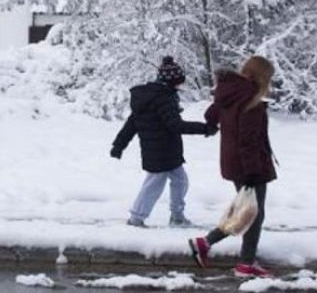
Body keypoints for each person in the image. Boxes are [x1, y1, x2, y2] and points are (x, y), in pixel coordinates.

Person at [188, 55, 277, 278]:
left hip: (234, 162)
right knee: (253, 213)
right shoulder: (251, 101)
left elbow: (210, 115)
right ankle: (244, 263)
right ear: (262, 76)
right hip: (249, 166)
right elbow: (248, 141)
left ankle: (207, 244)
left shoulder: (229, 92)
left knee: (246, 210)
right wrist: (252, 171)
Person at [110, 56, 218, 228]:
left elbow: (131, 124)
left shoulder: (150, 98)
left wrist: (118, 145)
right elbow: (175, 125)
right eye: (179, 83)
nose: (180, 87)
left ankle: (177, 216)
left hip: (166, 151)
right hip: (161, 152)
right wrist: (205, 128)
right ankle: (136, 219)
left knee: (180, 181)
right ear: (172, 82)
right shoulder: (163, 99)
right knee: (154, 184)